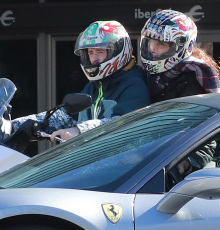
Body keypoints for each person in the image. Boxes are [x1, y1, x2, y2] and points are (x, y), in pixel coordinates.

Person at [14, 20, 148, 144]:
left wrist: (79, 130)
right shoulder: (94, 86)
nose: (94, 59)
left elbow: (123, 123)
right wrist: (14, 125)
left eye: (100, 51)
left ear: (118, 51)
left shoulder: (134, 84)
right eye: (90, 52)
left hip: (126, 164)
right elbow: (64, 117)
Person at [138, 9, 220, 100]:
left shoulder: (193, 80)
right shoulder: (151, 75)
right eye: (150, 41)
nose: (152, 48)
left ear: (180, 47)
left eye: (161, 43)